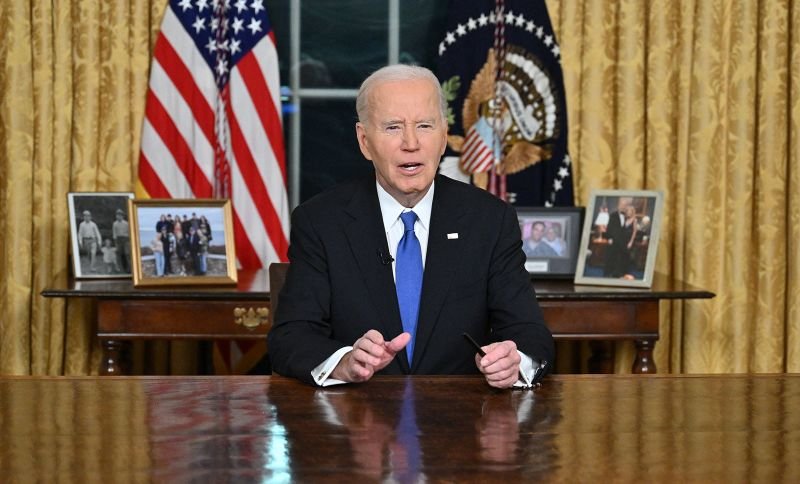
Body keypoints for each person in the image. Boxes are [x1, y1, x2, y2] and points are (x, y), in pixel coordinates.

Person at [268, 65, 554, 389]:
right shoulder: (320, 221)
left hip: (461, 426)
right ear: (364, 141)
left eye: (424, 125)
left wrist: (513, 362)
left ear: (444, 136)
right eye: (393, 127)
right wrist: (344, 362)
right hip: (356, 422)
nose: (411, 143)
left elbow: (531, 335)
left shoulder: (489, 220)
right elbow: (290, 338)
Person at [603, 198, 637, 278]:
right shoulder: (613, 215)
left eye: (625, 206)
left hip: (623, 241)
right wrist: (609, 238)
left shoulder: (627, 217)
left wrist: (630, 242)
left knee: (622, 259)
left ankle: (620, 274)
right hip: (614, 241)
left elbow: (632, 231)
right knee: (611, 257)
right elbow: (609, 228)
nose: (623, 207)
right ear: (618, 205)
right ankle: (608, 274)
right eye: (622, 205)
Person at [111, 209, 131, 273]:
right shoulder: (115, 224)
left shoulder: (126, 223)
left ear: (122, 216)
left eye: (120, 215)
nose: (118, 216)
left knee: (127, 254)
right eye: (117, 215)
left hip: (126, 239)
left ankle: (129, 268)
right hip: (119, 240)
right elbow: (114, 233)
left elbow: (129, 232)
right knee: (120, 254)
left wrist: (129, 241)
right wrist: (115, 243)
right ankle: (123, 268)